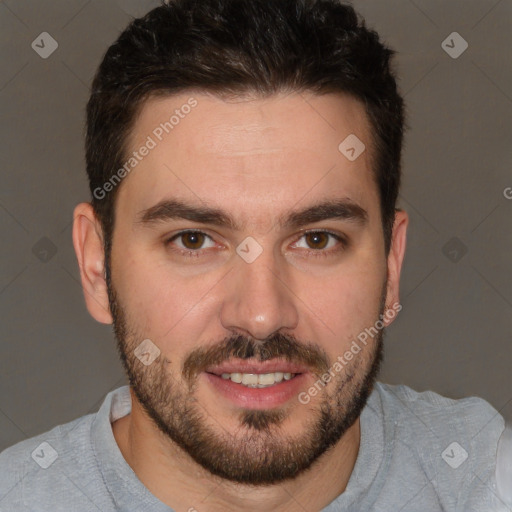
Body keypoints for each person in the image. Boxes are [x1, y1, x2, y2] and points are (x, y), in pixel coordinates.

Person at [0, 1, 507, 510]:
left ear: (391, 266)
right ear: (96, 266)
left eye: (317, 239)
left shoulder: (484, 480)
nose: (262, 316)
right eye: (193, 240)